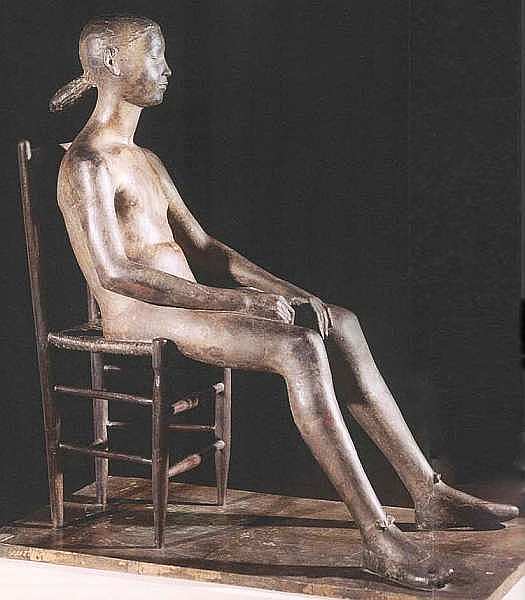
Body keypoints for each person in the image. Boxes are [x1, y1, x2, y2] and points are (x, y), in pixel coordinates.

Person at [50, 15, 518, 591]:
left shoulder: (145, 160)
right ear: (112, 63)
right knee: (299, 347)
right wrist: (233, 303)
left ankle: (428, 492)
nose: (166, 67)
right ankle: (377, 536)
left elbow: (204, 248)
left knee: (339, 323)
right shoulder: (87, 162)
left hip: (189, 303)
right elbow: (116, 274)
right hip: (138, 314)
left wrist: (286, 291)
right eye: (153, 53)